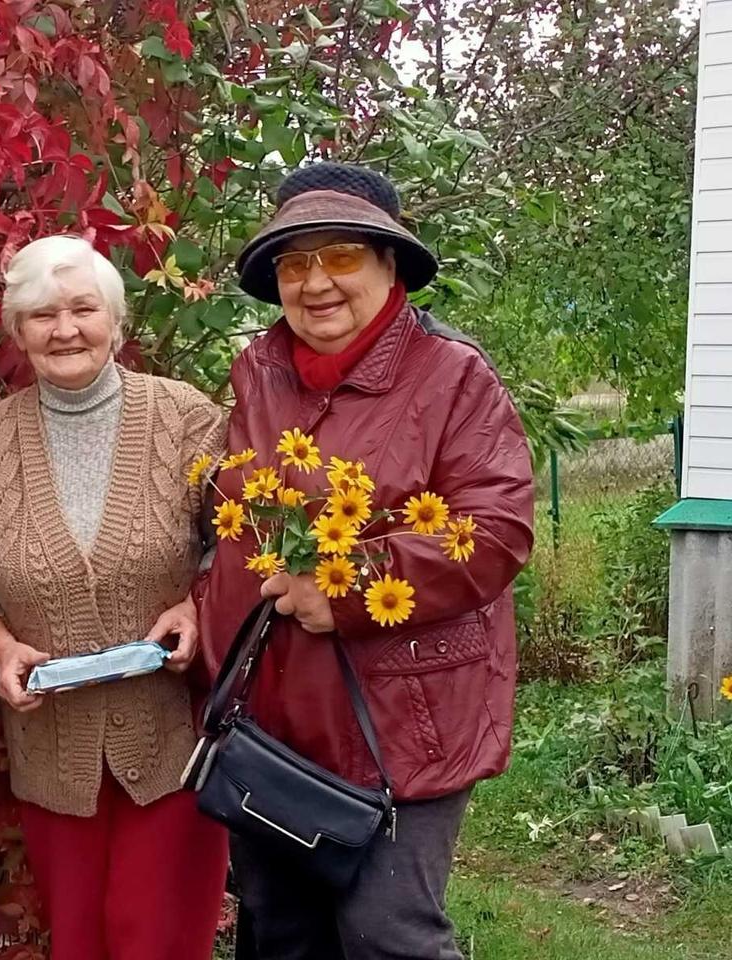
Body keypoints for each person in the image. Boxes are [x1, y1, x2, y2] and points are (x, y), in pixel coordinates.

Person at [197, 162, 536, 960]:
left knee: (387, 934)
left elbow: (495, 530)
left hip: (402, 717)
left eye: (341, 256)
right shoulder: (259, 372)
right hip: (277, 712)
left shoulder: (453, 378)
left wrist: (346, 591)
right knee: (281, 932)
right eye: (293, 262)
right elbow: (241, 522)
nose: (315, 283)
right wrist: (201, 603)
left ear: (391, 265)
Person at [0, 235, 229, 960]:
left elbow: (239, 545)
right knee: (76, 942)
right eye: (42, 314)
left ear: (116, 321)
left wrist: (198, 606)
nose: (64, 329)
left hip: (174, 744)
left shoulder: (188, 419)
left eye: (82, 309)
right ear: (17, 333)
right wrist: (0, 649)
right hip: (52, 749)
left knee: (158, 940)